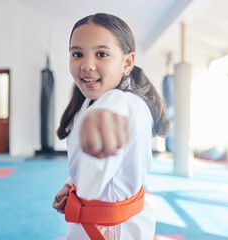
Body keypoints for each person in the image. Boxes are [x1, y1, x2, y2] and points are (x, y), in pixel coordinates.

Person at [52, 13, 170, 240]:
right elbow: (98, 171)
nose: (87, 65)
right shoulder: (89, 100)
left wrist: (103, 122)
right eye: (77, 54)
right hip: (99, 223)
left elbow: (91, 185)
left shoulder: (120, 102)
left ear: (127, 62)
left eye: (102, 54)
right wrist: (71, 184)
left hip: (111, 231)